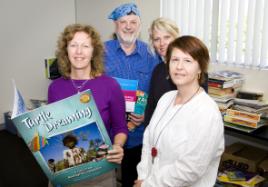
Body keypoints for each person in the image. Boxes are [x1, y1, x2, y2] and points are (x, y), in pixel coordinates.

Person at [135, 36, 225, 187]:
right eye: (175, 60)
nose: (179, 66)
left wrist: (149, 184)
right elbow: (149, 140)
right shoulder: (166, 98)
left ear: (200, 68)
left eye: (187, 61)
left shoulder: (207, 112)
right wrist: (144, 177)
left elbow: (190, 169)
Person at [47, 23, 128, 186]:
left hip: (99, 171)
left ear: (94, 51)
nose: (79, 51)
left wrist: (118, 146)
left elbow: (121, 128)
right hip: (64, 169)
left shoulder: (110, 85)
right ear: (65, 50)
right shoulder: (55, 87)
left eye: (85, 46)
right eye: (73, 45)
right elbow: (53, 130)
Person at [104, 3, 160, 187]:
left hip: (138, 135)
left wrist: (147, 114)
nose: (128, 26)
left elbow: (157, 93)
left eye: (133, 22)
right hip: (107, 133)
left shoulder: (151, 54)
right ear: (115, 25)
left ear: (139, 25)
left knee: (133, 180)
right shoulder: (101, 52)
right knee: (101, 180)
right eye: (123, 22)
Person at [144, 17, 208, 126]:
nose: (162, 43)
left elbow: (199, 111)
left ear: (176, 38)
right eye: (156, 39)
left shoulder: (192, 69)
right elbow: (151, 110)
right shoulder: (157, 70)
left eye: (167, 37)